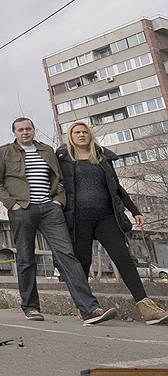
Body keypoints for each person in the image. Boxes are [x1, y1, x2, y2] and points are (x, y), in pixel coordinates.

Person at [0, 117, 116, 324]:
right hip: (22, 209)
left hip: (50, 209)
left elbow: (59, 179)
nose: (25, 132)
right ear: (14, 133)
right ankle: (31, 307)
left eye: (28, 128)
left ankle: (90, 309)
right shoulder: (3, 152)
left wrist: (58, 200)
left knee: (67, 255)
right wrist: (11, 204)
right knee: (26, 259)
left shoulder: (47, 150)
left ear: (33, 130)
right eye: (20, 130)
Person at [55, 121, 168, 325]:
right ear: (70, 137)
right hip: (79, 220)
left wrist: (135, 210)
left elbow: (117, 188)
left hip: (106, 218)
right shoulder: (63, 160)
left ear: (90, 136)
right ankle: (88, 309)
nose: (81, 135)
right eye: (76, 132)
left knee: (124, 259)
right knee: (82, 264)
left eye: (84, 132)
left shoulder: (102, 158)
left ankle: (146, 308)